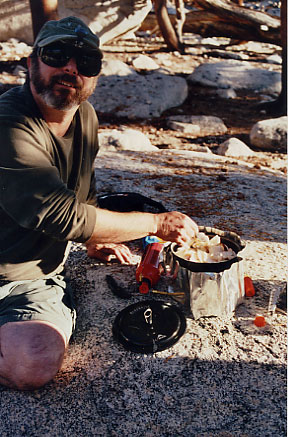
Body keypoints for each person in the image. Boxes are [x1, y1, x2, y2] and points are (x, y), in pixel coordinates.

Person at [0, 16, 198, 391]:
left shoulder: (84, 116)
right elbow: (60, 214)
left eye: (86, 62)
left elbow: (82, 189)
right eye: (57, 54)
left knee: (35, 363)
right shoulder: (9, 124)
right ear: (31, 63)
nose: (71, 67)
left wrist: (95, 239)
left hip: (29, 281)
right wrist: (155, 223)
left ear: (95, 76)